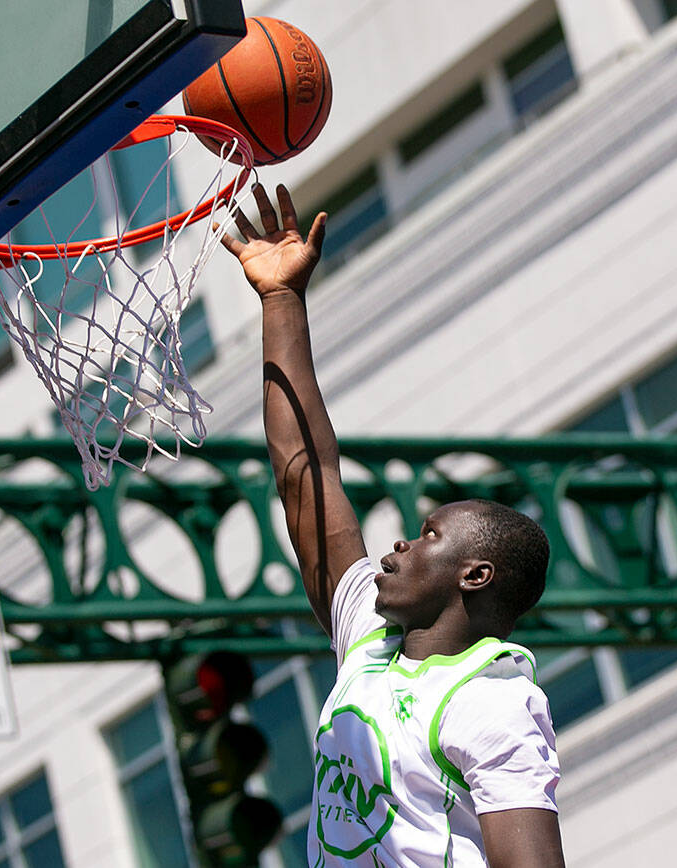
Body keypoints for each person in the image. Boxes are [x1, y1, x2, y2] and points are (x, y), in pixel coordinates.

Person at [220, 184, 565, 867]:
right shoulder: (368, 645)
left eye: (431, 535)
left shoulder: (490, 704)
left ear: (475, 575)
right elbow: (304, 476)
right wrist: (281, 300)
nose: (403, 541)